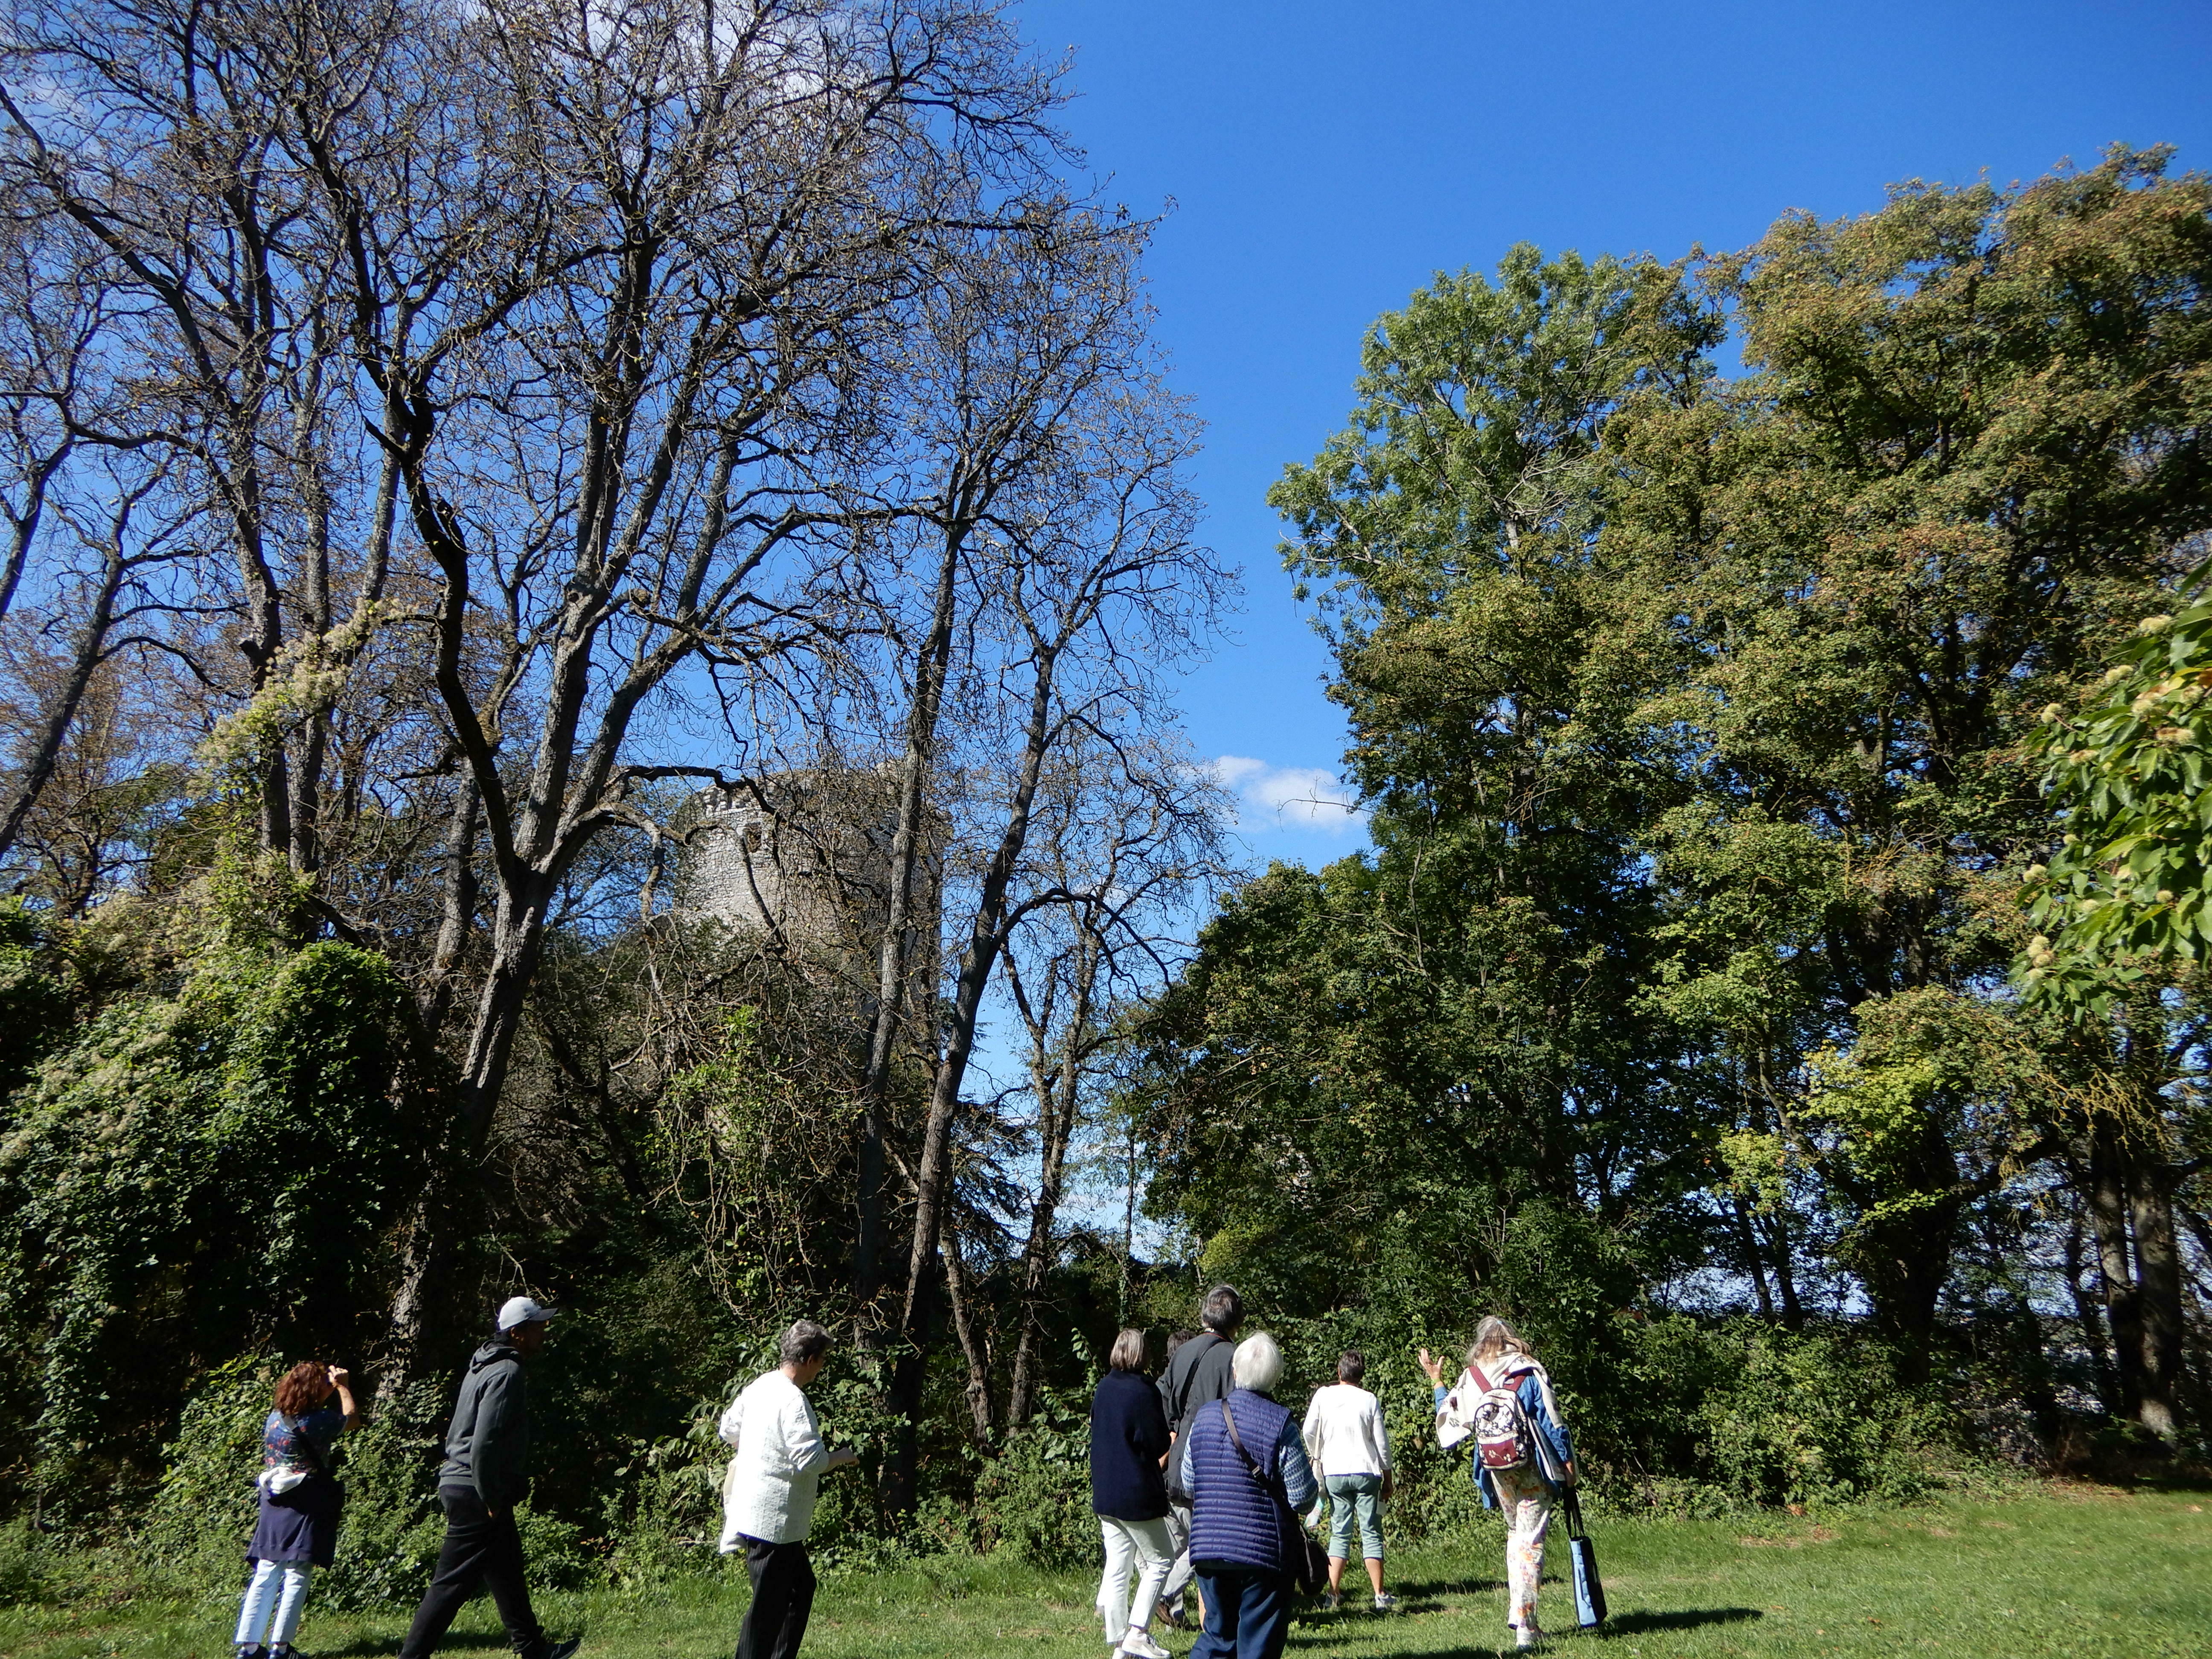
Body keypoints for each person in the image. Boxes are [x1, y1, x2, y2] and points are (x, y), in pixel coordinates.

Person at [398, 1297, 577, 1659]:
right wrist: (492, 1496)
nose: (544, 1331)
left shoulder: (481, 1366)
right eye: (538, 1326)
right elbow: (485, 1442)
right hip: (476, 1488)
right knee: (450, 1585)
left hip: (465, 1482)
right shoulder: (507, 1372)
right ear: (517, 1333)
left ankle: (532, 1648)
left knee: (507, 1569)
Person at [1420, 1318, 1575, 1651]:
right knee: (1531, 1543)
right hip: (1533, 1466)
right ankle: (1525, 1626)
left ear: (1481, 1342)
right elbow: (1552, 1421)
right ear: (1511, 1339)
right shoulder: (1528, 1370)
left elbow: (1450, 1423)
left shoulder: (1472, 1378)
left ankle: (1520, 1616)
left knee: (1516, 1537)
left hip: (1497, 1470)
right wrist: (1567, 1463)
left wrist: (1437, 1383)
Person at [718, 1320, 860, 1659]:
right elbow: (811, 1461)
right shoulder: (793, 1401)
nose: (822, 1368)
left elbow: (727, 1430)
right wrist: (842, 1456)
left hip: (771, 1521)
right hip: (771, 1523)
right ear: (810, 1359)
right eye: (823, 1360)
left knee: (799, 1590)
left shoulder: (761, 1386)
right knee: (767, 1612)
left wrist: (756, 1444)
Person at [1183, 1332, 1317, 1659]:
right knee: (1257, 1645)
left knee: (1217, 1637)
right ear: (1276, 1378)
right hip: (1263, 1552)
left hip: (1209, 1546)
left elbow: (1188, 1482)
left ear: (1235, 1371)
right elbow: (1302, 1498)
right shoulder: (1280, 1423)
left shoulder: (1205, 1417)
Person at [232, 1360, 358, 1659]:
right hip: (306, 1498)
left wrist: (325, 1389)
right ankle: (281, 1648)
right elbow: (352, 1419)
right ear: (316, 1391)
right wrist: (342, 1386)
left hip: (273, 1500)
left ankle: (249, 1648)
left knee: (266, 1570)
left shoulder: (274, 1419)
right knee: (297, 1572)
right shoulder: (318, 1421)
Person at [1158, 1286, 1243, 1628]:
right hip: (1214, 1465)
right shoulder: (1235, 1359)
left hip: (1177, 1462)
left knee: (1193, 1544)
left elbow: (1163, 1406)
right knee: (1209, 1546)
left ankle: (1200, 1618)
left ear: (1204, 1316)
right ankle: (1165, 1595)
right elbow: (1240, 1414)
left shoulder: (1182, 1354)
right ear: (1237, 1321)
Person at [1089, 1330, 1174, 1659]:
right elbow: (1157, 1444)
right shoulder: (1144, 1391)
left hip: (1106, 1492)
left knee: (1118, 1563)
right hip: (1136, 1492)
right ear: (1143, 1356)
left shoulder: (1103, 1388)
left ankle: (1119, 1643)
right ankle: (1138, 1632)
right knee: (1161, 1560)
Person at [1301, 1350, 1394, 1611]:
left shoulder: (1323, 1395)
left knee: (1339, 1532)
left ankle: (1333, 1594)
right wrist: (1388, 1477)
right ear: (1361, 1376)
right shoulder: (1369, 1400)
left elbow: (1309, 1430)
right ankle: (1380, 1594)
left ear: (1339, 1372)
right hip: (1367, 1471)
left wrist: (1317, 1454)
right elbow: (1381, 1443)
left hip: (1334, 1472)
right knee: (1371, 1531)